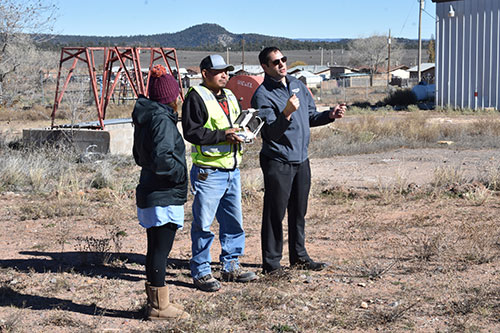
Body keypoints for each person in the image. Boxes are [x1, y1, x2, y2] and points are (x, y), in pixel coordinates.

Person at [251, 47, 346, 275]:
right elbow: (270, 133)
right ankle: (272, 265)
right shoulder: (262, 95)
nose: (282, 64)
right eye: (276, 62)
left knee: (298, 212)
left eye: (284, 60)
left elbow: (310, 117)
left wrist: (329, 116)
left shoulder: (297, 85)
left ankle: (299, 257)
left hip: (301, 159)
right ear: (265, 67)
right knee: (275, 213)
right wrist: (285, 113)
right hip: (278, 160)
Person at [182, 54, 257, 292]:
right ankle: (202, 271)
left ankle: (230, 266)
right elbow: (192, 132)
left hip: (232, 169)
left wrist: (245, 129)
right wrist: (224, 135)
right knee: (203, 224)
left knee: (233, 222)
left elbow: (233, 122)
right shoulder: (196, 97)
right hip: (209, 171)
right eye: (219, 71)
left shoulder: (230, 95)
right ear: (205, 74)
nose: (225, 75)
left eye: (227, 71)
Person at [132, 64, 190, 320]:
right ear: (172, 96)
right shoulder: (163, 120)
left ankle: (157, 302)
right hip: (163, 193)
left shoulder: (147, 116)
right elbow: (164, 158)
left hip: (151, 190)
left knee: (154, 248)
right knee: (159, 250)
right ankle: (158, 307)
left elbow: (139, 155)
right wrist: (180, 175)